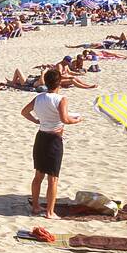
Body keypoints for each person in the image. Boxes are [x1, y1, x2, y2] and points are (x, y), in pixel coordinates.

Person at [21, 68, 81, 217]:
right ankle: (50, 211)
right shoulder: (61, 99)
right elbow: (65, 119)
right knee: (53, 178)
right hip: (54, 140)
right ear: (59, 82)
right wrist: (77, 120)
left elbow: (24, 112)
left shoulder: (39, 98)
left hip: (41, 137)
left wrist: (36, 120)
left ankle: (35, 207)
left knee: (38, 175)